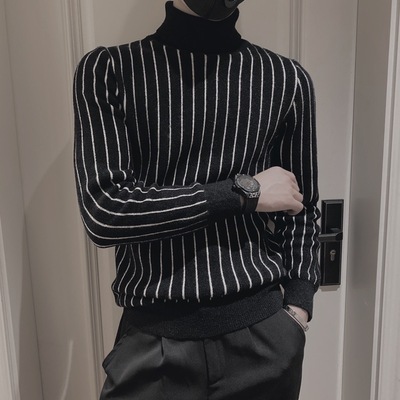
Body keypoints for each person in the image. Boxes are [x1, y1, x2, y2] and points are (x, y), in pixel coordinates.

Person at [73, 0, 320, 399]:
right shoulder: (111, 71)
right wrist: (244, 193)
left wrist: (298, 308)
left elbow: (302, 208)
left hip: (264, 342)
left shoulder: (285, 79)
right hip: (153, 343)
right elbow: (107, 211)